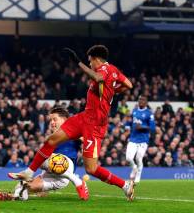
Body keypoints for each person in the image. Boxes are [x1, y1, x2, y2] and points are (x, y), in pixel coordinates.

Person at [9, 45, 135, 201]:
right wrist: (112, 91)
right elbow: (129, 84)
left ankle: (124, 185)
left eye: (90, 62)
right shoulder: (114, 70)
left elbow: (99, 78)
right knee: (52, 140)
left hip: (95, 124)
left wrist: (78, 63)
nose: (89, 65)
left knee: (91, 169)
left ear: (96, 59)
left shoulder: (103, 70)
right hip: (84, 117)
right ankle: (29, 172)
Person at [0, 106, 88, 201]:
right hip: (52, 174)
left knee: (42, 159)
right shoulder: (51, 138)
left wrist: (80, 138)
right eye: (50, 120)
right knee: (26, 185)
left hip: (66, 166)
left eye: (54, 119)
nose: (52, 122)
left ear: (64, 119)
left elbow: (86, 140)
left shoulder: (73, 131)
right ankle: (16, 195)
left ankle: (78, 182)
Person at [125, 95, 155, 183]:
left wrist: (142, 127)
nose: (141, 101)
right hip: (133, 138)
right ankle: (134, 168)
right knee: (128, 158)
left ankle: (138, 174)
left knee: (138, 158)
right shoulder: (134, 111)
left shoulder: (149, 113)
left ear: (146, 102)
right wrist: (127, 126)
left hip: (143, 140)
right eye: (140, 100)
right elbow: (130, 121)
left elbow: (152, 128)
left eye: (143, 100)